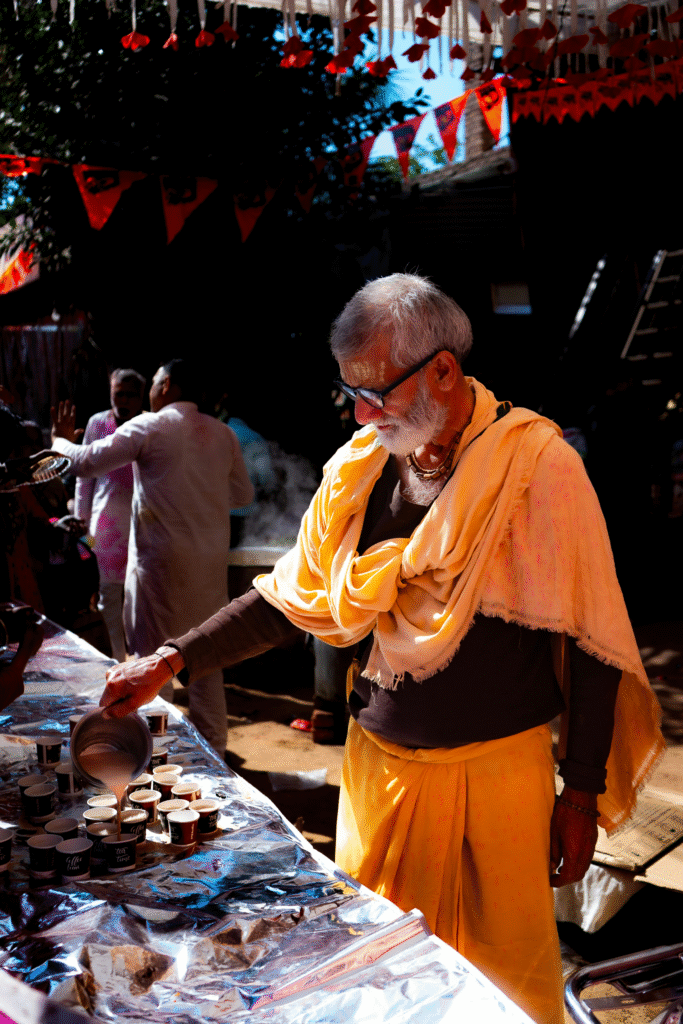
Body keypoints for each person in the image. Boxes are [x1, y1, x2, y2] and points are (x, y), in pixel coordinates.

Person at [98, 276, 663, 1024]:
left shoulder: (537, 468)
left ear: (443, 370)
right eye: (351, 393)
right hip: (375, 779)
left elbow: (591, 641)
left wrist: (581, 793)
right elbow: (290, 597)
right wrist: (171, 659)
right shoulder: (361, 468)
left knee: (499, 999)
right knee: (376, 991)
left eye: (375, 393)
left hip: (499, 787)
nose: (361, 414)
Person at [51, 359, 254, 756]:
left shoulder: (150, 425)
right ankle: (213, 756)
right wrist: (201, 494)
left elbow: (85, 462)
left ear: (167, 385)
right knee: (205, 663)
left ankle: (159, 754)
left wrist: (59, 440)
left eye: (154, 382)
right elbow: (242, 495)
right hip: (208, 569)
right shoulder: (223, 434)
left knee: (152, 667)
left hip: (160, 570)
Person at [74, 369, 146, 662]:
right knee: (108, 597)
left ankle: (142, 662)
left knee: (141, 598)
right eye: (119, 393)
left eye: (131, 395)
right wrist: (81, 522)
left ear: (141, 398)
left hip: (143, 527)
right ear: (110, 393)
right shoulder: (97, 424)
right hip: (102, 529)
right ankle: (117, 660)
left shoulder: (148, 426)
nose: (124, 400)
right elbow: (84, 477)